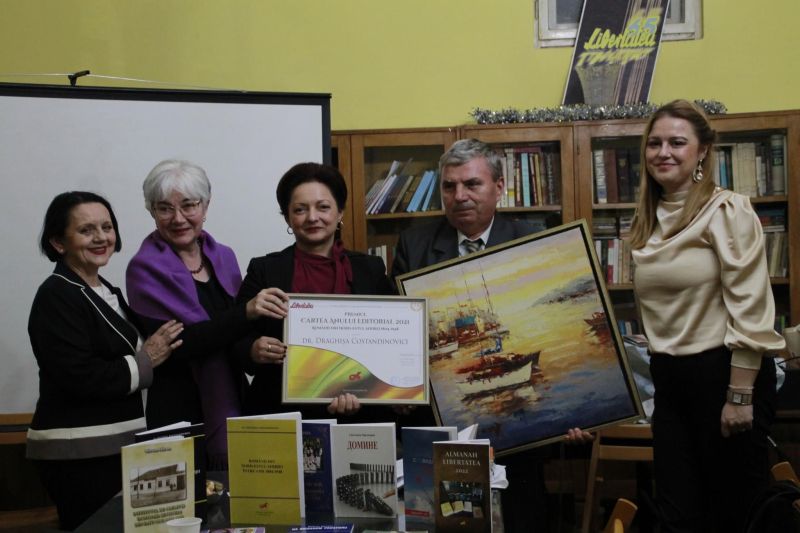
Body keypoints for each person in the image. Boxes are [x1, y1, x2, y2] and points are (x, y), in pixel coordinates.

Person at [628, 99, 785, 532]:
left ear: (702, 151)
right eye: (654, 143)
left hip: (726, 376)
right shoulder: (646, 220)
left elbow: (751, 305)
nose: (663, 152)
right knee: (677, 515)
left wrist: (740, 396)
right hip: (670, 381)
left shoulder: (727, 210)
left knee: (733, 515)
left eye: (677, 142)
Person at [390, 138, 550, 532]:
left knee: (523, 517)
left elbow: (540, 324)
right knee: (448, 521)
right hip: (442, 421)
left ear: (499, 187)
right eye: (449, 186)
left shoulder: (532, 238)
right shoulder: (414, 244)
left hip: (521, 426)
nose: (459, 195)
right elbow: (398, 331)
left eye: (472, 184)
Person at [26, 191, 183, 530]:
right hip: (80, 456)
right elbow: (81, 377)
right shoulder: (56, 294)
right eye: (86, 230)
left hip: (116, 448)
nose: (101, 237)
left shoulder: (105, 290)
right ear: (58, 242)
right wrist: (146, 359)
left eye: (107, 227)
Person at [126, 159, 277, 470]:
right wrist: (246, 313)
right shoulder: (144, 268)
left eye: (189, 205)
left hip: (234, 401)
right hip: (178, 411)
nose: (178, 218)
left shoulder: (224, 256)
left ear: (205, 207)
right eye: (165, 208)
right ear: (152, 211)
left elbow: (234, 336)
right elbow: (182, 343)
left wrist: (254, 347)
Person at [235, 162, 395, 417]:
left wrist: (369, 391)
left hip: (358, 409)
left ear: (340, 212)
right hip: (281, 412)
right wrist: (253, 349)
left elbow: (393, 341)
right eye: (300, 209)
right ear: (287, 217)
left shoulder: (370, 269)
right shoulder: (264, 269)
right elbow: (235, 337)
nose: (312, 217)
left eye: (323, 207)